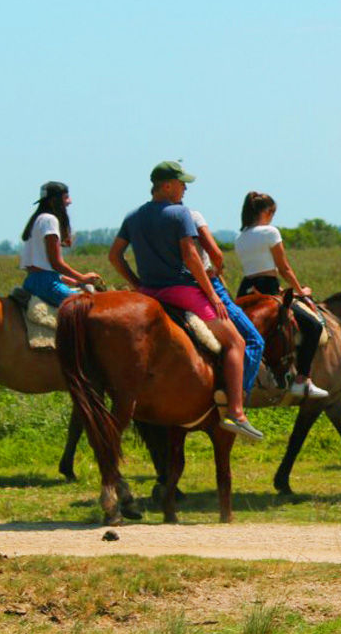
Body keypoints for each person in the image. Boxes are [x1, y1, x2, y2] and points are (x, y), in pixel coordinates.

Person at [107, 161, 265, 439]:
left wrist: (136, 283)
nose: (185, 188)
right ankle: (236, 413)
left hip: (148, 291)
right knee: (236, 342)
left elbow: (114, 255)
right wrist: (213, 294)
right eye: (181, 183)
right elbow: (192, 256)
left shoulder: (133, 217)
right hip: (182, 290)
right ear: (166, 185)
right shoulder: (180, 213)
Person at [234, 192, 328, 400]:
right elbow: (284, 268)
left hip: (246, 289)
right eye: (272, 213)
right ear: (266, 211)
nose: (273, 217)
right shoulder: (270, 232)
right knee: (313, 326)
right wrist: (301, 292)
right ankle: (303, 380)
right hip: (268, 289)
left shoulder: (240, 237)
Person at [187, 206, 265, 399]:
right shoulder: (192, 215)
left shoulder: (146, 217)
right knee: (253, 341)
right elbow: (216, 254)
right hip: (207, 283)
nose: (185, 189)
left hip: (171, 286)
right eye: (182, 185)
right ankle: (236, 399)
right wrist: (217, 270)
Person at [19, 181, 102, 306]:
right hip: (46, 284)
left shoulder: (38, 219)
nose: (69, 201)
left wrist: (76, 283)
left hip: (33, 280)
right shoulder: (49, 220)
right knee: (91, 306)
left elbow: (45, 267)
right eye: (66, 197)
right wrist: (82, 278)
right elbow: (56, 263)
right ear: (54, 200)